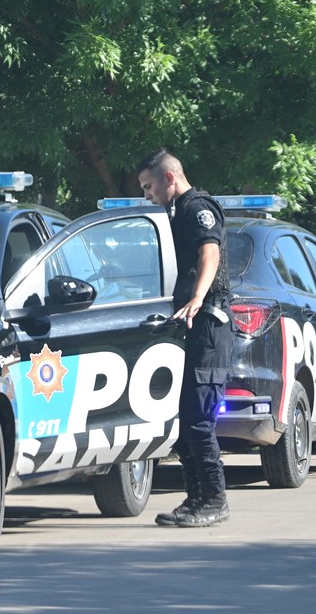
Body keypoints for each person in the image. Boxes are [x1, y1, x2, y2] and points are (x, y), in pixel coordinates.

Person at [136, 148, 232, 528]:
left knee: (197, 420)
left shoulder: (196, 208)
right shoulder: (176, 212)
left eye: (149, 186)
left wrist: (196, 298)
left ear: (169, 178)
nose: (147, 195)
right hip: (192, 327)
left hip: (208, 323)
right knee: (184, 421)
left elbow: (210, 252)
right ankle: (195, 500)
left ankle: (214, 499)